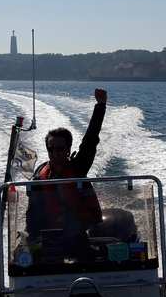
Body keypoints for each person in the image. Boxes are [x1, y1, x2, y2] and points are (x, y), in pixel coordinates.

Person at [25, 89, 107, 260]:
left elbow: (90, 140)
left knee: (89, 262)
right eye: (51, 149)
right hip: (49, 236)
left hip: (76, 232)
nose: (55, 153)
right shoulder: (40, 175)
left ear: (68, 149)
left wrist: (100, 106)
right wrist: (31, 238)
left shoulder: (78, 167)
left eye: (60, 149)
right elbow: (32, 211)